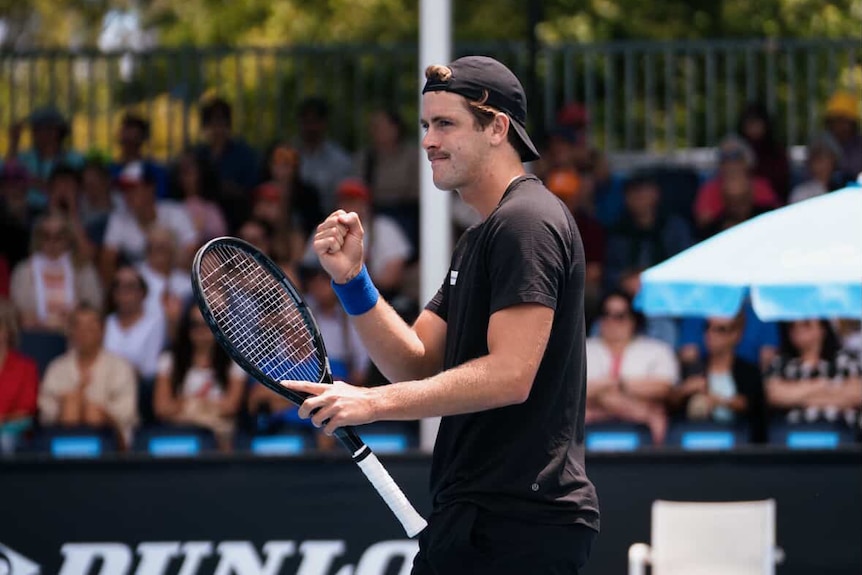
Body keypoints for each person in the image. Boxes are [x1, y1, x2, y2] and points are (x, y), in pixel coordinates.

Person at [284, 56, 599, 575]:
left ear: (498, 127)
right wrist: (352, 281)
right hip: (477, 520)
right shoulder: (483, 236)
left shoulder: (526, 222)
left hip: (518, 524)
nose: (428, 140)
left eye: (446, 124)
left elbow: (510, 375)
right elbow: (415, 363)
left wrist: (370, 403)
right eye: (426, 125)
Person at [39, 304, 139, 448]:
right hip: (61, 438)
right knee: (70, 406)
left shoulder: (120, 367)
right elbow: (46, 413)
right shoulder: (57, 368)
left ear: (102, 330)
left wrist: (94, 410)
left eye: (90, 327)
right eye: (78, 327)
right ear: (70, 331)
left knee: (93, 414)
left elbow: (126, 414)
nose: (84, 333)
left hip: (113, 441)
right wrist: (74, 399)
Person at [585, 291, 678, 445]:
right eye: (606, 314)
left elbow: (664, 388)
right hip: (590, 437)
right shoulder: (581, 350)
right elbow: (571, 391)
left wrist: (611, 388)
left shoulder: (657, 349)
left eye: (619, 316)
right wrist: (638, 411)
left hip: (642, 437)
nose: (611, 321)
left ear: (633, 320)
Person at [153, 304, 245, 452]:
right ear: (187, 328)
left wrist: (187, 406)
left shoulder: (233, 362)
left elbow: (231, 407)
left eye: (206, 324)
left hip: (220, 436)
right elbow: (162, 407)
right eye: (195, 325)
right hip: (181, 432)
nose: (201, 331)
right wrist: (206, 409)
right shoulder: (169, 360)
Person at [668, 314, 767, 443]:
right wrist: (685, 390)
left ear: (737, 334)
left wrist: (716, 400)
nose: (710, 334)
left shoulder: (749, 371)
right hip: (697, 443)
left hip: (740, 447)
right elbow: (670, 404)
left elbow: (750, 405)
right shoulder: (692, 369)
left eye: (720, 330)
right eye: (707, 327)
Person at [10, 213, 102, 333]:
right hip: (35, 334)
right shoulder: (23, 271)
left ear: (68, 238)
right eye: (46, 236)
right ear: (38, 237)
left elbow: (95, 306)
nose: (52, 241)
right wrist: (38, 321)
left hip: (74, 334)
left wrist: (75, 314)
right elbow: (18, 312)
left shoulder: (84, 269)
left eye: (58, 236)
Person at [765, 319, 862, 430]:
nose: (798, 329)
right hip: (794, 434)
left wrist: (796, 397)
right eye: (792, 326)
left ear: (822, 329)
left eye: (806, 324)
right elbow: (773, 395)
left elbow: (857, 395)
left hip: (843, 433)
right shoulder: (781, 363)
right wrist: (825, 385)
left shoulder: (846, 360)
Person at [294, 97, 354, 213]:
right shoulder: (289, 154)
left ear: (324, 123)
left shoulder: (339, 160)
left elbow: (344, 197)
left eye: (315, 121)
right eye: (306, 121)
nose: (310, 127)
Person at [0, 301, 39, 448]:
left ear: (8, 330)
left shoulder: (25, 367)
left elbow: (26, 411)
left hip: (12, 431)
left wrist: (3, 421)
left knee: (5, 440)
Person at [788, 133, 845, 204]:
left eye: (826, 157)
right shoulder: (801, 193)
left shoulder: (844, 189)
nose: (822, 164)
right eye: (818, 158)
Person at [823, 90, 862, 180]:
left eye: (844, 121)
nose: (839, 126)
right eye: (836, 120)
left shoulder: (859, 145)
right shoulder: (821, 144)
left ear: (853, 123)